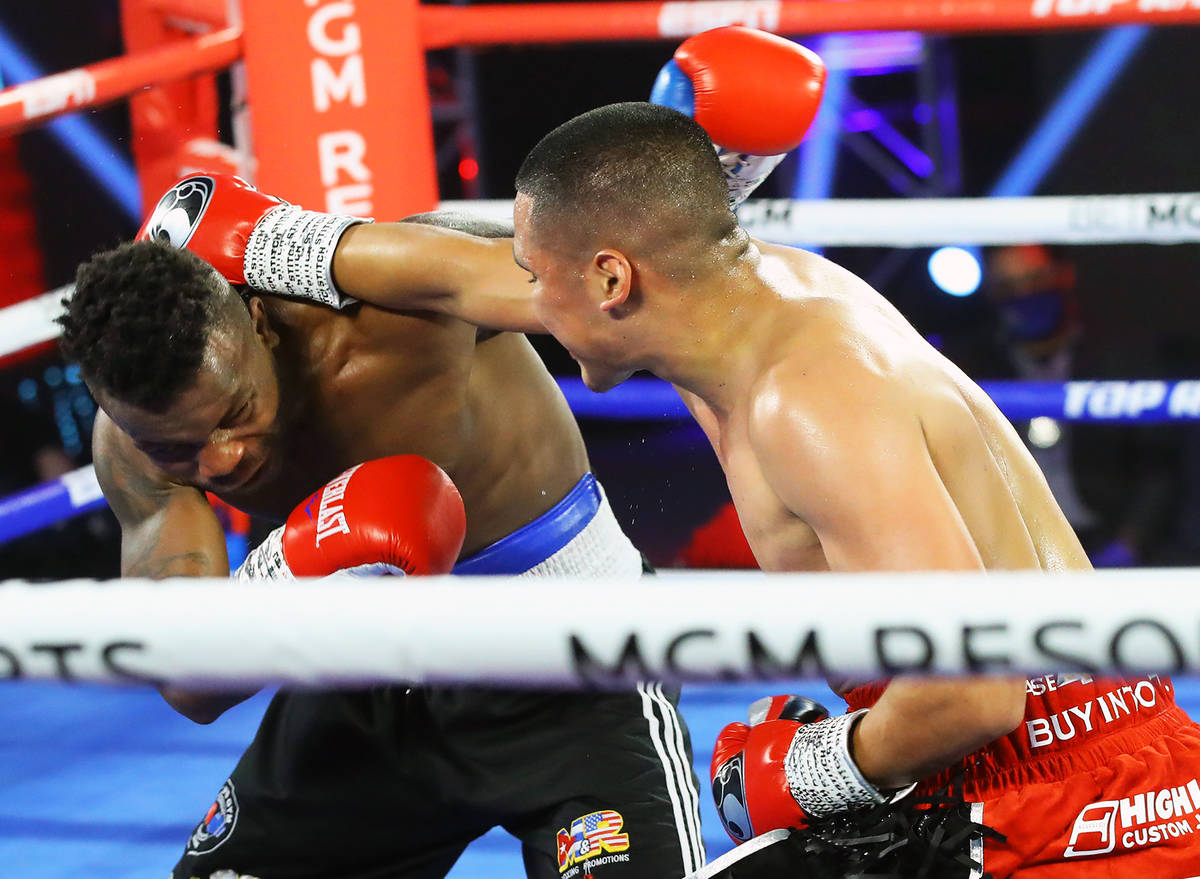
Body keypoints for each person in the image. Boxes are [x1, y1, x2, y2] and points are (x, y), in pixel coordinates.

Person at [58, 26, 824, 879]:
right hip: (372, 677)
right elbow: (190, 685)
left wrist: (697, 185)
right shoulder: (132, 448)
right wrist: (290, 565)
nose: (225, 458)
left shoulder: (388, 316)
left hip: (573, 659)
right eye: (182, 447)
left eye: (235, 412)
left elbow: (594, 303)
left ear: (262, 321)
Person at [508, 101, 1200, 876]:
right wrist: (342, 250)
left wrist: (804, 770)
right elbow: (491, 279)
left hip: (1041, 812)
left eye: (535, 280)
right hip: (1107, 757)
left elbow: (975, 692)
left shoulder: (803, 400)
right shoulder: (759, 292)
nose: (528, 307)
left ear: (611, 277)